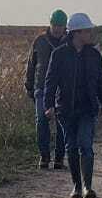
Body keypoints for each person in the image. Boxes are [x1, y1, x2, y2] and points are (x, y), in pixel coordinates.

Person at [42, 13, 102, 198]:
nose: (90, 34)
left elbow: (101, 82)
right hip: (66, 110)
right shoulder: (59, 54)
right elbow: (50, 82)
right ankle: (77, 185)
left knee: (86, 145)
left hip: (87, 108)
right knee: (71, 147)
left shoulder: (94, 55)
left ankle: (87, 187)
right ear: (77, 33)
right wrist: (48, 105)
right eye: (87, 31)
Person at [25, 9, 69, 170]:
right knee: (41, 121)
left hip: (62, 90)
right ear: (50, 24)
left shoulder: (69, 42)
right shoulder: (40, 41)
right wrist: (29, 85)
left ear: (65, 26)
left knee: (62, 124)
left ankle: (59, 158)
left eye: (61, 25)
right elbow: (31, 64)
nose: (57, 28)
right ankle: (44, 156)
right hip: (41, 88)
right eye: (55, 25)